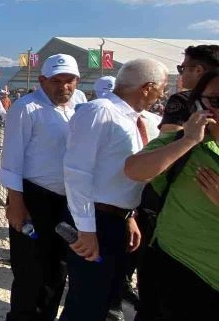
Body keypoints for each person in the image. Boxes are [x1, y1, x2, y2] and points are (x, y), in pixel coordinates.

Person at [60, 58, 169, 321]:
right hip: (94, 221)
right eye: (162, 87)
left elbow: (115, 177)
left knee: (104, 299)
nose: (163, 94)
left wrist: (128, 216)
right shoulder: (100, 111)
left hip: (117, 221)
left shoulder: (137, 119)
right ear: (147, 87)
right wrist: (86, 230)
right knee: (85, 304)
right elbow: (77, 173)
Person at [125, 70, 219, 320]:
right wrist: (187, 140)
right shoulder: (182, 143)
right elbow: (135, 170)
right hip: (175, 269)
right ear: (200, 104)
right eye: (216, 101)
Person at [0, 53, 81, 321]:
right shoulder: (25, 108)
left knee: (58, 269)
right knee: (29, 271)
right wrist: (16, 203)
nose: (64, 87)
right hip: (34, 198)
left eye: (69, 81)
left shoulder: (78, 104)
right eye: (57, 81)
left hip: (67, 202)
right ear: (43, 80)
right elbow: (12, 159)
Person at [159, 44, 219, 133]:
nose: (181, 73)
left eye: (182, 68)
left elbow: (169, 140)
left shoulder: (182, 100)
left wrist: (189, 140)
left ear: (198, 70)